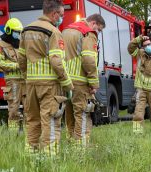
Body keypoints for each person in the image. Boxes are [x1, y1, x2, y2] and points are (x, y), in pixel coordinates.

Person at [17, 0, 73, 158]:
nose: (61, 18)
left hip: (31, 84)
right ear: (54, 14)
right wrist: (67, 83)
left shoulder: (26, 30)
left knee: (32, 120)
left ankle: (31, 155)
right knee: (51, 121)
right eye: (61, 15)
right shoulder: (54, 32)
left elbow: (21, 59)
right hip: (50, 85)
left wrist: (27, 76)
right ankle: (50, 159)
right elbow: (57, 61)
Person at [63, 14, 105, 145]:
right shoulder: (88, 33)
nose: (98, 32)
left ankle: (70, 141)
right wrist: (93, 82)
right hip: (80, 81)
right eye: (99, 29)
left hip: (65, 80)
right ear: (93, 23)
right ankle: (80, 147)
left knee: (68, 113)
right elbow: (88, 59)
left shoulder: (66, 30)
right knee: (82, 113)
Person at [0, 18, 25, 132]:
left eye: (19, 32)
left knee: (30, 108)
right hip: (12, 81)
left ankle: (29, 134)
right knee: (13, 108)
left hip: (25, 80)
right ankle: (13, 134)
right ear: (8, 30)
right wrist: (18, 66)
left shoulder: (21, 43)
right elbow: (0, 62)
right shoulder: (0, 45)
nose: (18, 34)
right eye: (16, 31)